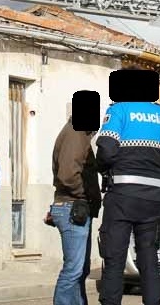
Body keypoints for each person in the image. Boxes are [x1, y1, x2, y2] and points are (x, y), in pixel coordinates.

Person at [96, 67, 160, 305]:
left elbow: (106, 150)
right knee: (149, 256)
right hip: (154, 200)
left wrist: (103, 169)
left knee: (115, 257)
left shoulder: (119, 110)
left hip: (122, 196)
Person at [46, 115, 102, 305]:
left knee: (79, 271)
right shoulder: (76, 133)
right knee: (73, 271)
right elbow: (68, 175)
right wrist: (84, 194)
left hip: (72, 207)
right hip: (73, 208)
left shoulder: (75, 132)